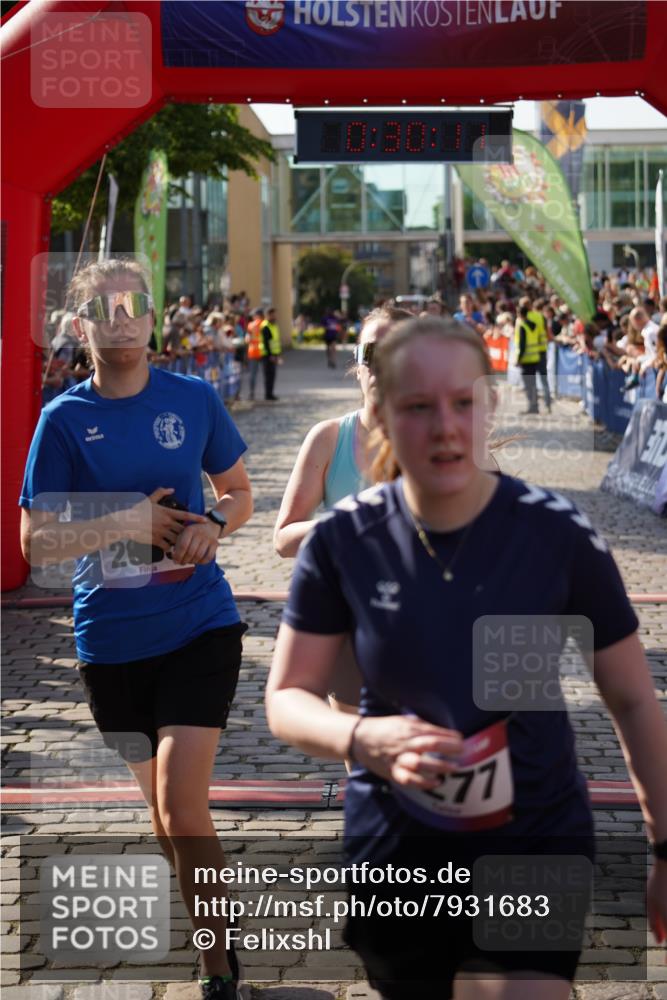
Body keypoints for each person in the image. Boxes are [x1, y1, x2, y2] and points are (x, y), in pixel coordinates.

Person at [266, 315, 667, 1000]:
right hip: (397, 846)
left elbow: (632, 697)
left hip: (534, 833)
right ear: (383, 418)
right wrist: (363, 738)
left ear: (490, 405)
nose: (444, 427)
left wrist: (662, 844)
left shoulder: (556, 533)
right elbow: (287, 696)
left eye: (462, 402)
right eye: (418, 407)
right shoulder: (342, 540)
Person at [19, 258, 253, 1000]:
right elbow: (36, 543)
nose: (121, 316)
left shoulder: (193, 397)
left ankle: (219, 967)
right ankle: (210, 928)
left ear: (154, 316)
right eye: (101, 306)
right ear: (79, 323)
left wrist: (213, 525)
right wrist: (131, 519)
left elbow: (240, 492)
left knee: (184, 804)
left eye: (135, 303)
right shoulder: (62, 420)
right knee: (160, 814)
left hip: (198, 626)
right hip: (110, 639)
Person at [273, 306, 411, 738]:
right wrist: (348, 524)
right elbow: (284, 537)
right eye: (372, 351)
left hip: (429, 625)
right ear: (357, 362)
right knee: (363, 765)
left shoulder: (447, 437)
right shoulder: (329, 438)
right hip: (349, 625)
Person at [515, 303, 541, 414]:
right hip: (535, 357)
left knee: (528, 384)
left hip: (526, 359)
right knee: (533, 383)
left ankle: (532, 407)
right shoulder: (534, 325)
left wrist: (519, 359)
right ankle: (535, 406)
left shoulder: (522, 326)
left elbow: (522, 345)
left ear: (519, 314)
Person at [260, 306, 281, 401]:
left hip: (274, 354)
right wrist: (271, 355)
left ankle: (270, 393)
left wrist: (278, 354)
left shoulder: (273, 325)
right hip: (267, 355)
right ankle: (268, 394)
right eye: (272, 315)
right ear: (268, 315)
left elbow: (275, 341)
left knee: (272, 375)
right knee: (268, 375)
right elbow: (266, 342)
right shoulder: (265, 326)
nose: (275, 316)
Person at [245, 307, 264, 401]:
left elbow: (247, 339)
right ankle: (267, 393)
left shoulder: (250, 325)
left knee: (252, 374)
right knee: (265, 373)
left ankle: (251, 393)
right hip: (263, 351)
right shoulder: (264, 324)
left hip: (252, 351)